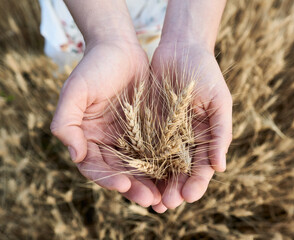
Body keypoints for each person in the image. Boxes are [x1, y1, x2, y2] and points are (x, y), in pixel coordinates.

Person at [48, 0, 232, 213]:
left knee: (154, 65)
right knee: (79, 77)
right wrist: (106, 38)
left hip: (167, 16)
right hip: (85, 14)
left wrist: (190, 41)